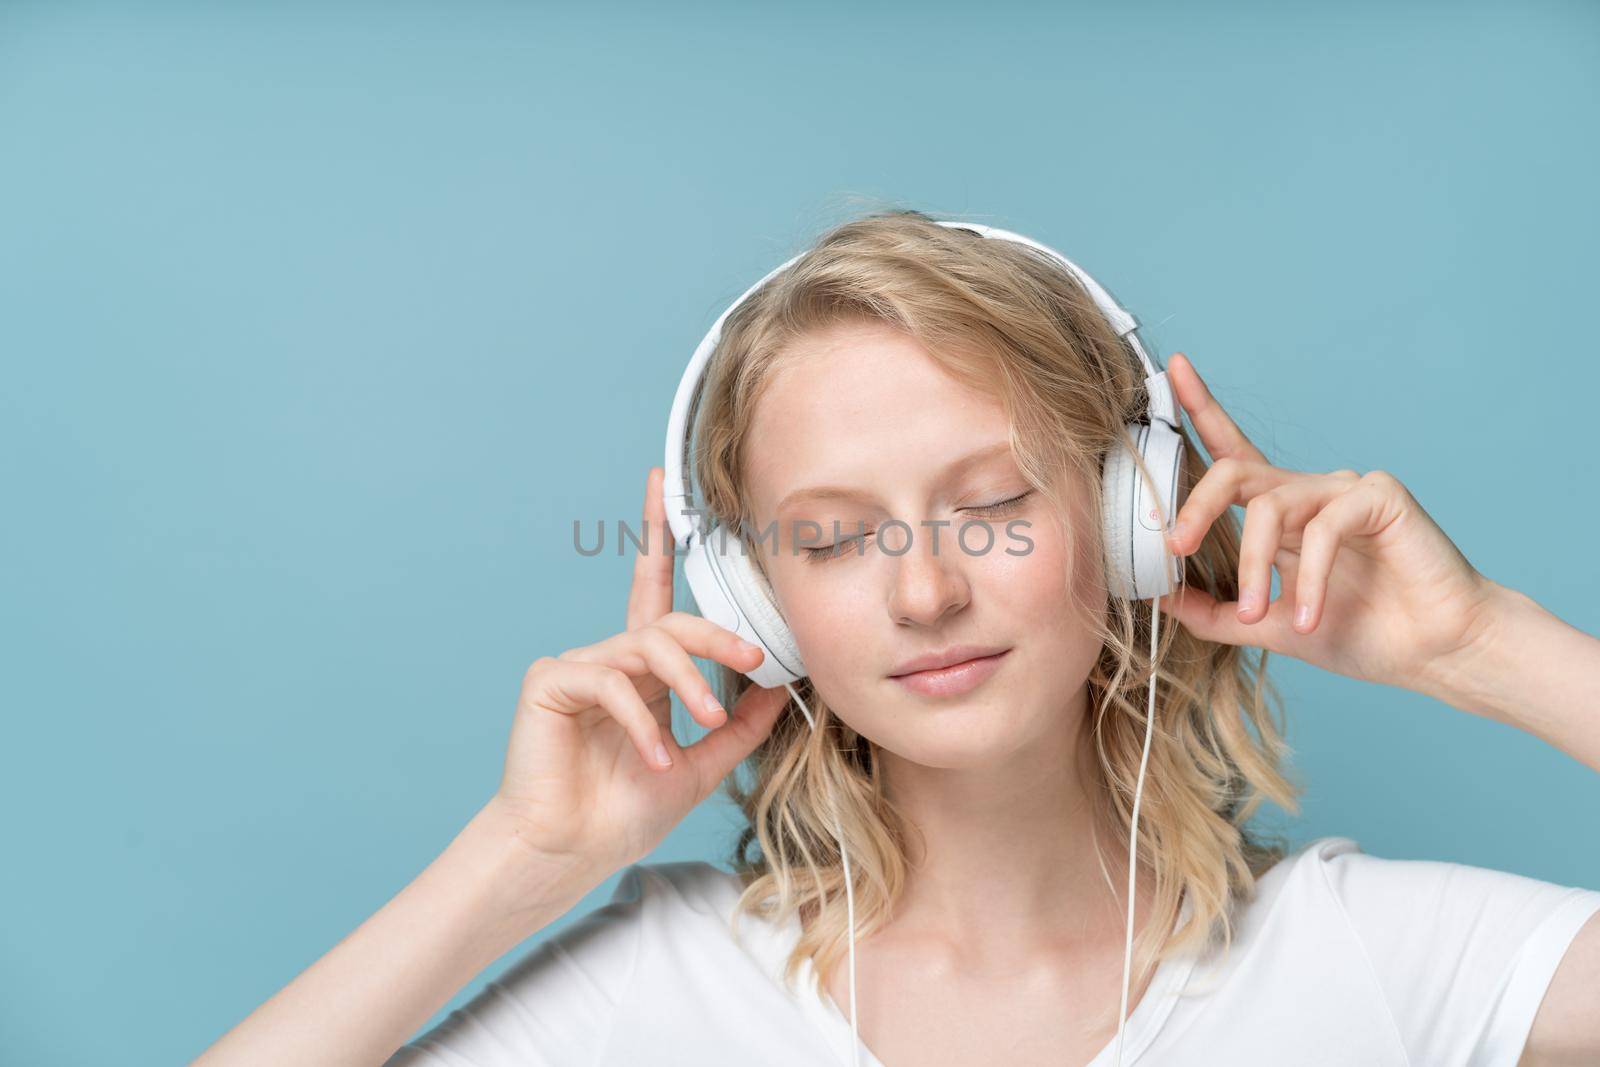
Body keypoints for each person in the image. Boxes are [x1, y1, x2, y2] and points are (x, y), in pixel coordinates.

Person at [192, 210, 1600, 1067]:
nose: (925, 593)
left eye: (990, 505)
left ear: (1125, 523)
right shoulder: (658, 989)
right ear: (755, 603)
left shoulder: (1364, 960)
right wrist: (522, 862)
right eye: (831, 538)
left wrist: (1489, 648)